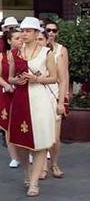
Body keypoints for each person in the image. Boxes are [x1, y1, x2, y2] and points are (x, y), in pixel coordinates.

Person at [7, 17, 58, 197]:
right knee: (21, 142)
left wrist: (37, 79)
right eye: (23, 30)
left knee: (40, 142)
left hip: (39, 99)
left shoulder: (46, 53)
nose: (25, 34)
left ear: (37, 33)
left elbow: (54, 77)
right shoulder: (15, 53)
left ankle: (34, 182)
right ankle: (27, 173)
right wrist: (16, 80)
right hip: (21, 98)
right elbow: (10, 77)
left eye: (29, 30)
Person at [0, 29, 24, 168]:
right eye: (17, 38)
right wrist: (6, 84)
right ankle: (14, 157)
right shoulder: (2, 56)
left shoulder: (27, 55)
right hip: (7, 94)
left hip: (22, 93)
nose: (20, 40)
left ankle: (27, 152)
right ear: (9, 41)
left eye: (21, 38)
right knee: (8, 127)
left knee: (23, 123)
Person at [44, 20, 69, 178]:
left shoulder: (61, 50)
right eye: (48, 30)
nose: (51, 33)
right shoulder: (37, 49)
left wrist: (63, 97)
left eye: (54, 30)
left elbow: (64, 75)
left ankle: (54, 164)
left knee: (55, 136)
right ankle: (43, 167)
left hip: (54, 93)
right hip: (38, 93)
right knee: (41, 132)